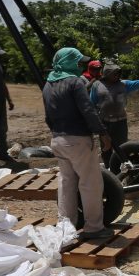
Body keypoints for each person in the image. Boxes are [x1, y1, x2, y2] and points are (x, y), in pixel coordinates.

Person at [42, 47, 113, 239]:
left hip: (57, 139)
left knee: (67, 183)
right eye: (78, 62)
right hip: (78, 140)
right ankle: (94, 228)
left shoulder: (48, 84)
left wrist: (58, 133)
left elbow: (48, 116)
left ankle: (66, 226)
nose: (79, 65)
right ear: (69, 62)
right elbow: (87, 110)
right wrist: (102, 133)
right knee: (90, 183)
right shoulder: (75, 82)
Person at [88, 60, 139, 166]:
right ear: (107, 74)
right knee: (106, 148)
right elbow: (92, 103)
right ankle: (109, 169)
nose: (117, 75)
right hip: (105, 123)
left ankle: (122, 168)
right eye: (115, 73)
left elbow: (138, 83)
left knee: (123, 147)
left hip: (120, 123)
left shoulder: (124, 84)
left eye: (118, 73)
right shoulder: (97, 85)